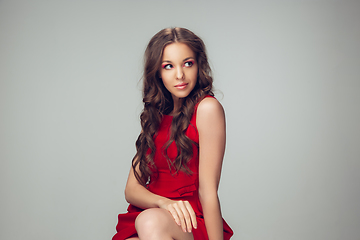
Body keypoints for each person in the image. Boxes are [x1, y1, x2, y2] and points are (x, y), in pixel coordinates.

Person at [112, 27, 233, 240]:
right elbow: (131, 189)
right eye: (168, 66)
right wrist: (164, 203)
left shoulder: (207, 109)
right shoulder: (154, 115)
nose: (180, 75)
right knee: (143, 226)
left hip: (191, 219)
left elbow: (208, 192)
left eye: (188, 63)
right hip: (153, 213)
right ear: (157, 73)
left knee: (149, 222)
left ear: (199, 65)